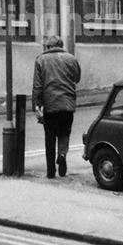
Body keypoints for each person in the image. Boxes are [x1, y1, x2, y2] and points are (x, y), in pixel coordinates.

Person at [31, 34, 81, 179]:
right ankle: (62, 155)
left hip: (50, 105)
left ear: (48, 46)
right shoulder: (71, 59)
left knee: (50, 138)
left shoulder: (41, 60)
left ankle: (50, 171)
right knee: (65, 133)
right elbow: (77, 78)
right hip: (67, 104)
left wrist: (36, 105)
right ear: (61, 45)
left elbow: (37, 86)